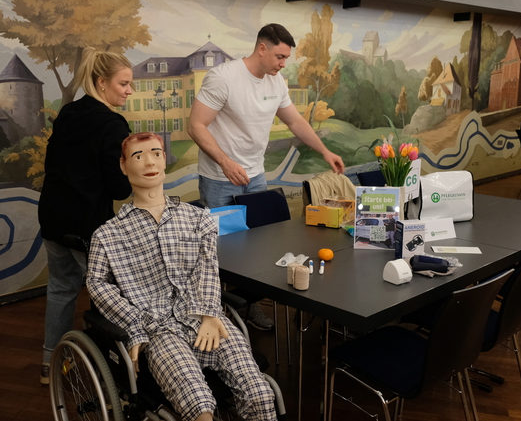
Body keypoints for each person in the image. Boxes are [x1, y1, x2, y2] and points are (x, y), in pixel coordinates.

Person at [87, 133, 276, 421]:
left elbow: (207, 268)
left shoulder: (197, 218)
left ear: (164, 159)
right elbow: (97, 283)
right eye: (138, 156)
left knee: (260, 394)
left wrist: (210, 313)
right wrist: (135, 326)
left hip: (205, 319)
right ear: (123, 166)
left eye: (156, 153)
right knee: (199, 406)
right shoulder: (107, 234)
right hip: (158, 328)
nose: (149, 162)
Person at [187, 23, 345, 330]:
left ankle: (247, 307)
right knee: (223, 253)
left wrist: (325, 151)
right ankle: (216, 315)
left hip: (255, 176)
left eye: (286, 58)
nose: (284, 64)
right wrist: (225, 162)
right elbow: (196, 125)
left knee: (258, 249)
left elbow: (295, 122)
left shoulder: (277, 82)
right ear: (262, 48)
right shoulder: (223, 77)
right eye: (280, 56)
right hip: (218, 179)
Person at [37, 47, 134, 384]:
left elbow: (54, 166)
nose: (129, 90)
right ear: (101, 82)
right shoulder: (113, 125)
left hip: (52, 219)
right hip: (86, 226)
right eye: (124, 83)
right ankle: (113, 367)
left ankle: (51, 364)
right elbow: (119, 189)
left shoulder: (68, 113)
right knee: (109, 294)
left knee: (61, 288)